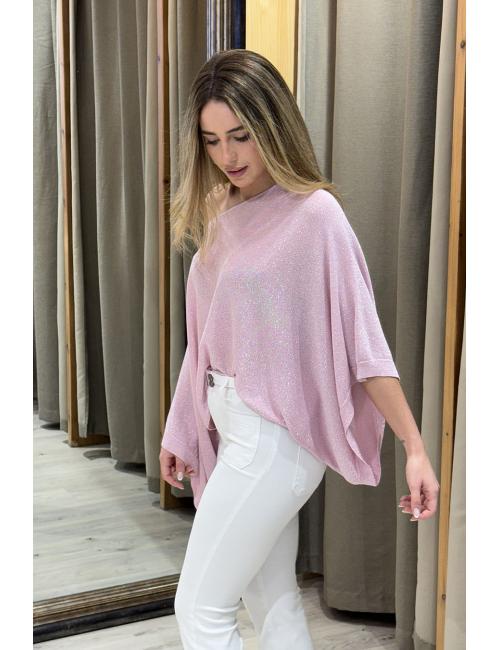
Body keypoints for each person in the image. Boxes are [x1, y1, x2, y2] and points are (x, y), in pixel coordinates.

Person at [159, 49, 440, 650]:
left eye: (241, 135)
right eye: (212, 141)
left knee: (199, 609)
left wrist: (415, 447)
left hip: (274, 440)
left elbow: (365, 344)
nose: (228, 156)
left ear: (273, 125)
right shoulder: (219, 209)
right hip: (233, 426)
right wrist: (181, 427)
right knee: (272, 601)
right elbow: (204, 340)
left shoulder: (315, 215)